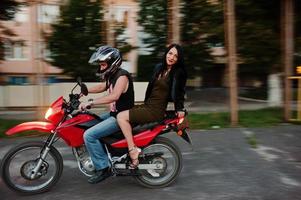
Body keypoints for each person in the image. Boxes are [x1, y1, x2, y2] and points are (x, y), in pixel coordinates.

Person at [117, 43, 187, 168]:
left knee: (121, 117)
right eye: (170, 53)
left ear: (179, 59)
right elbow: (150, 89)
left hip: (155, 110)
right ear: (166, 53)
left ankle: (132, 151)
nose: (172, 57)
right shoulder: (159, 68)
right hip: (148, 106)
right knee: (120, 113)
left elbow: (179, 91)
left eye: (176, 56)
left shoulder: (178, 72)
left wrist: (179, 108)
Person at [79, 46, 134, 184]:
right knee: (88, 121)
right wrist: (85, 90)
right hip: (114, 114)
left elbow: (114, 96)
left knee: (89, 135)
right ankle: (105, 153)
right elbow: (103, 86)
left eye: (103, 64)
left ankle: (104, 168)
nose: (101, 67)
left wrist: (90, 102)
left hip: (121, 117)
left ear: (112, 63)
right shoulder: (112, 76)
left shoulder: (122, 76)